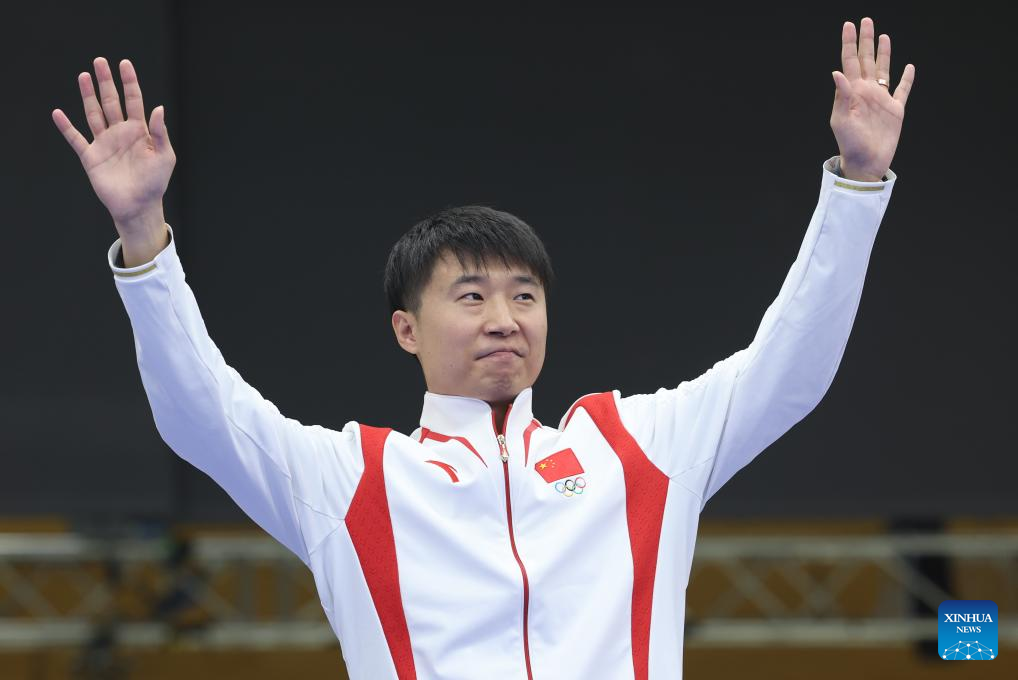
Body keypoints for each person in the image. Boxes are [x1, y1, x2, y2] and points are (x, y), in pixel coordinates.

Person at [52, 17, 914, 680]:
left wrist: (859, 186)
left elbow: (791, 366)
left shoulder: (640, 450)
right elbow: (202, 414)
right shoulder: (351, 481)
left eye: (525, 296)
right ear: (406, 329)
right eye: (470, 297)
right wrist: (142, 233)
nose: (504, 317)